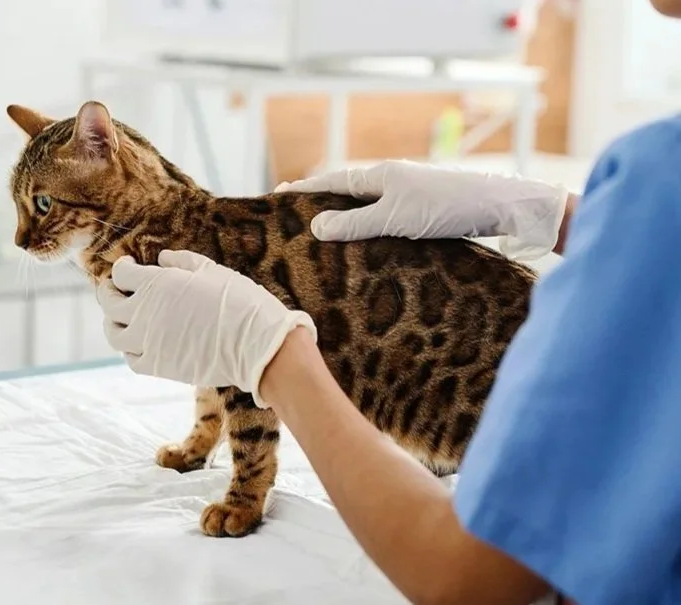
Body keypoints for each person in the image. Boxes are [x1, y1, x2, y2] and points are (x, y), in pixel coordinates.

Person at [94, 4, 681, 602]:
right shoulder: (660, 172)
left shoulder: (659, 173)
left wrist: (275, 360)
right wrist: (552, 214)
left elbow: (468, 578)